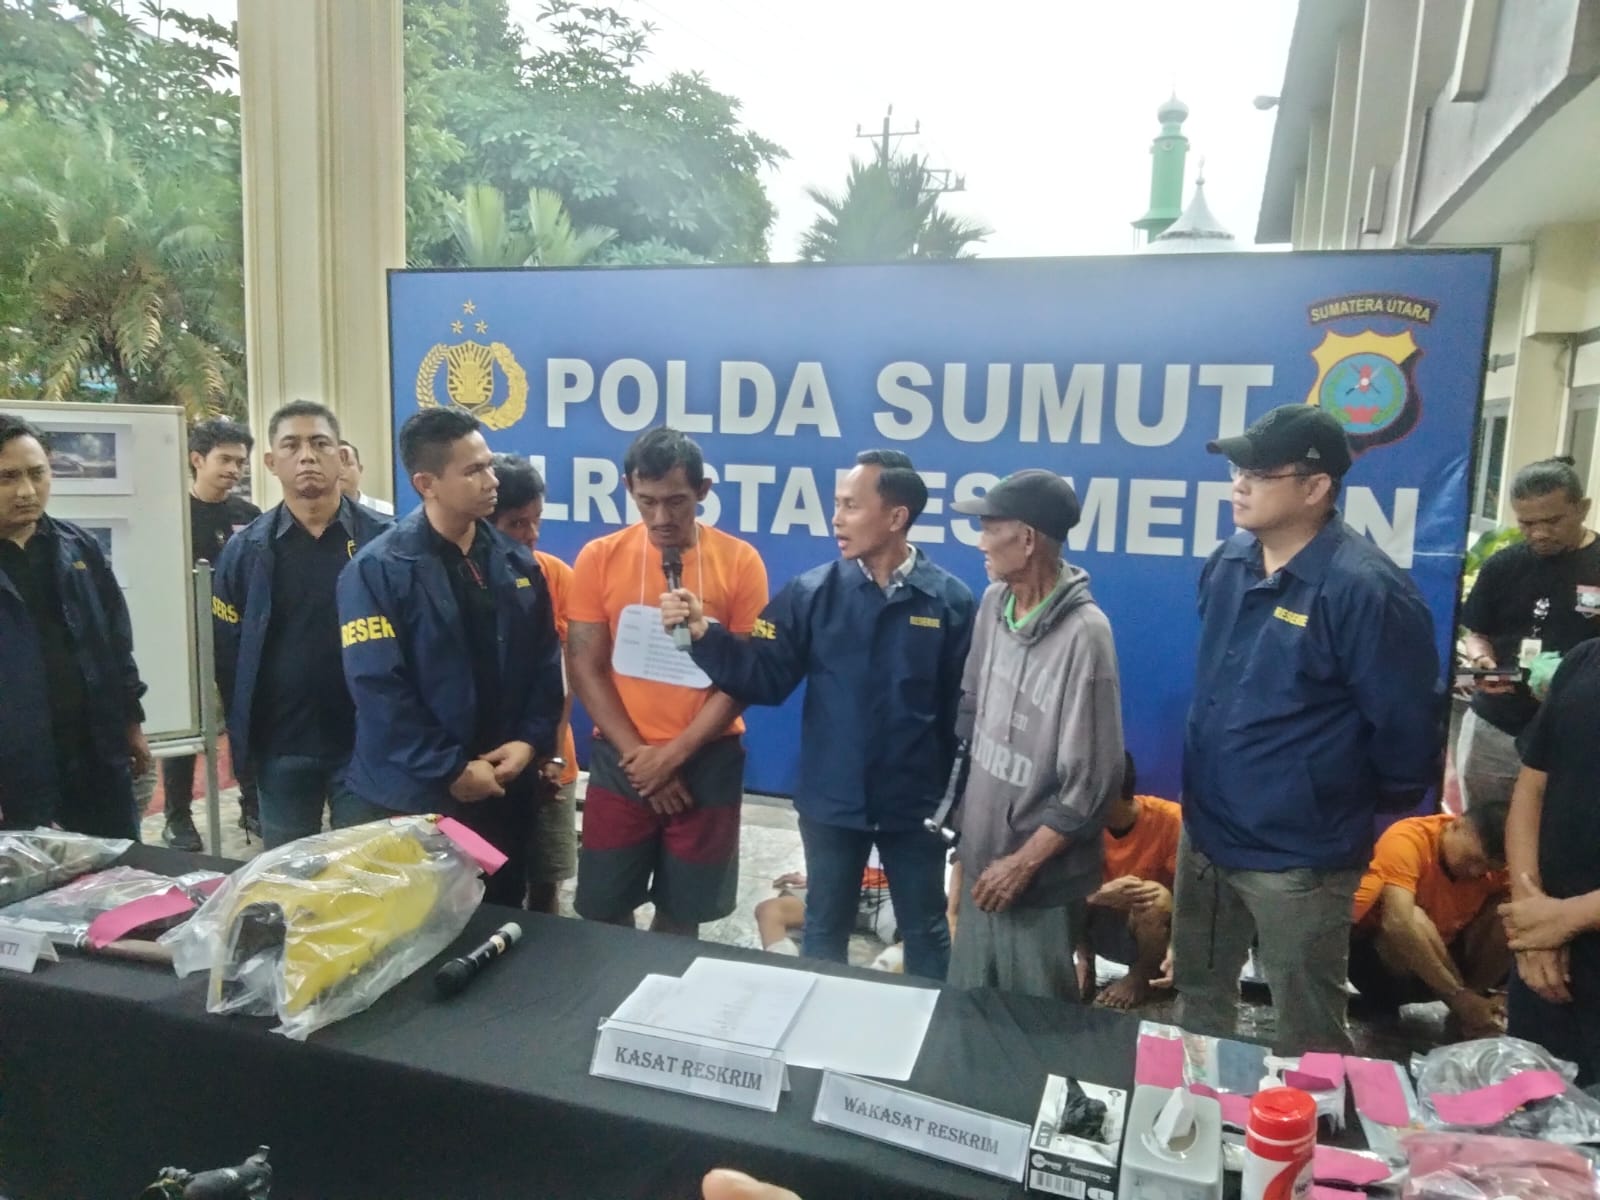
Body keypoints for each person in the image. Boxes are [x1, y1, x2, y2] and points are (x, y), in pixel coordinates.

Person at [1175, 404, 1442, 1054]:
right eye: (1237, 471)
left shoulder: (1366, 590)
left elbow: (1404, 730)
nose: (1239, 485)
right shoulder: (1229, 561)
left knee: (1308, 1025)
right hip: (1206, 832)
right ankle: (1196, 1108)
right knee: (1198, 997)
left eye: (1259, 473)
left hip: (1299, 854)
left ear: (1316, 486)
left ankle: (1312, 1119)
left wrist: (1327, 799)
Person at [661, 449, 973, 978]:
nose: (836, 519)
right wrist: (704, 635)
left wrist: (954, 807)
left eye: (851, 506)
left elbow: (962, 719)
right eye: (836, 505)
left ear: (896, 517)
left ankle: (932, 1027)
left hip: (916, 807)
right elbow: (764, 676)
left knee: (925, 928)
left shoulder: (950, 602)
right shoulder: (811, 593)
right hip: (832, 801)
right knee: (824, 926)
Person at [338, 409, 563, 905]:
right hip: (415, 796)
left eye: (489, 465)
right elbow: (379, 688)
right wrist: (450, 771)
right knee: (416, 927)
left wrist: (529, 742)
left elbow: (545, 664)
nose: (492, 481)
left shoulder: (516, 561)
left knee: (500, 921)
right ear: (427, 484)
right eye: (474, 470)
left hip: (503, 790)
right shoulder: (377, 571)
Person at [568, 427, 767, 937]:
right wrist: (643, 760)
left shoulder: (741, 562)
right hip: (623, 759)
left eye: (676, 501)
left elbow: (743, 676)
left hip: (706, 758)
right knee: (603, 906)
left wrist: (673, 756)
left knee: (684, 912)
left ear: (703, 490)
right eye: (647, 501)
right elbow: (586, 665)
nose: (661, 518)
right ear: (628, 488)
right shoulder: (599, 557)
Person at [944, 469, 1124, 1001]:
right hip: (982, 862)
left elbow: (1093, 783)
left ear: (1026, 539)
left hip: (1038, 879)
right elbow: (971, 712)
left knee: (1035, 1023)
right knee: (972, 1008)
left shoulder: (1086, 635)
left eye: (989, 529)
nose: (980, 543)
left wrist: (1022, 865)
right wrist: (963, 837)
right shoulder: (992, 604)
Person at [212, 402, 391, 849]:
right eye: (291, 445)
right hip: (281, 745)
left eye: (319, 443)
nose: (307, 456)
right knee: (288, 872)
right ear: (271, 462)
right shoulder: (245, 550)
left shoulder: (386, 542)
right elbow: (228, 654)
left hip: (366, 742)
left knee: (366, 868)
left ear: (341, 457)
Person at [0, 414, 150, 837]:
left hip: (96, 755)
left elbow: (116, 646)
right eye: (8, 477)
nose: (26, 491)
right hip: (17, 770)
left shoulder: (78, 548)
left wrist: (132, 725)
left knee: (120, 866)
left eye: (37, 473)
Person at [1457, 457, 1598, 810]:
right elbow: (1477, 632)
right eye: (1527, 523)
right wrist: (1482, 661)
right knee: (1483, 826)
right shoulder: (1502, 566)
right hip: (1497, 727)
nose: (1539, 534)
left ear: (1582, 508)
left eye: (1553, 521)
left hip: (1576, 731)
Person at [1500, 639, 1600, 1086]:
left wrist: (1569, 917)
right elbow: (1532, 788)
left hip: (1561, 928)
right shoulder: (1586, 660)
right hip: (1548, 964)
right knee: (1533, 1111)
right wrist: (1531, 916)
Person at [163, 417, 262, 850]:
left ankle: (253, 804)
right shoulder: (173, 515)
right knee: (186, 731)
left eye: (240, 462)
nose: (234, 469)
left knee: (246, 721)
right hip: (185, 641)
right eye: (225, 460)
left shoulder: (249, 517)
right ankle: (178, 817)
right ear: (197, 459)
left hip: (237, 640)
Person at [490, 453, 577, 914]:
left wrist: (553, 753)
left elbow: (565, 674)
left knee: (546, 882)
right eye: (517, 523)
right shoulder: (460, 579)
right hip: (482, 768)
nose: (532, 534)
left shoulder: (556, 575)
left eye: (536, 520)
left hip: (549, 761)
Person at [1347, 803, 1511, 1037]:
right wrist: (1457, 996)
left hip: (1455, 959)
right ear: (1456, 825)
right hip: (1389, 964)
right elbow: (1396, 923)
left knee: (1513, 913)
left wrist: (1501, 993)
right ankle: (1464, 1004)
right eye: (1473, 860)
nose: (1477, 872)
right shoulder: (1407, 840)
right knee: (1411, 917)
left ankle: (1473, 1009)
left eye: (1487, 867)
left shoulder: (1497, 868)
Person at [1080, 752, 1181, 1010]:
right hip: (1096, 921)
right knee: (1062, 894)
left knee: (1154, 896)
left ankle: (1141, 976)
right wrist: (1098, 894)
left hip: (1149, 935)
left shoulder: (1170, 821)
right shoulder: (1074, 826)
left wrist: (1176, 946)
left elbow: (1196, 898)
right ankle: (1083, 965)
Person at [339, 439, 395, 516]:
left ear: (360, 469)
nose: (340, 470)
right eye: (335, 465)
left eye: (347, 464)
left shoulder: (384, 510)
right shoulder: (322, 515)